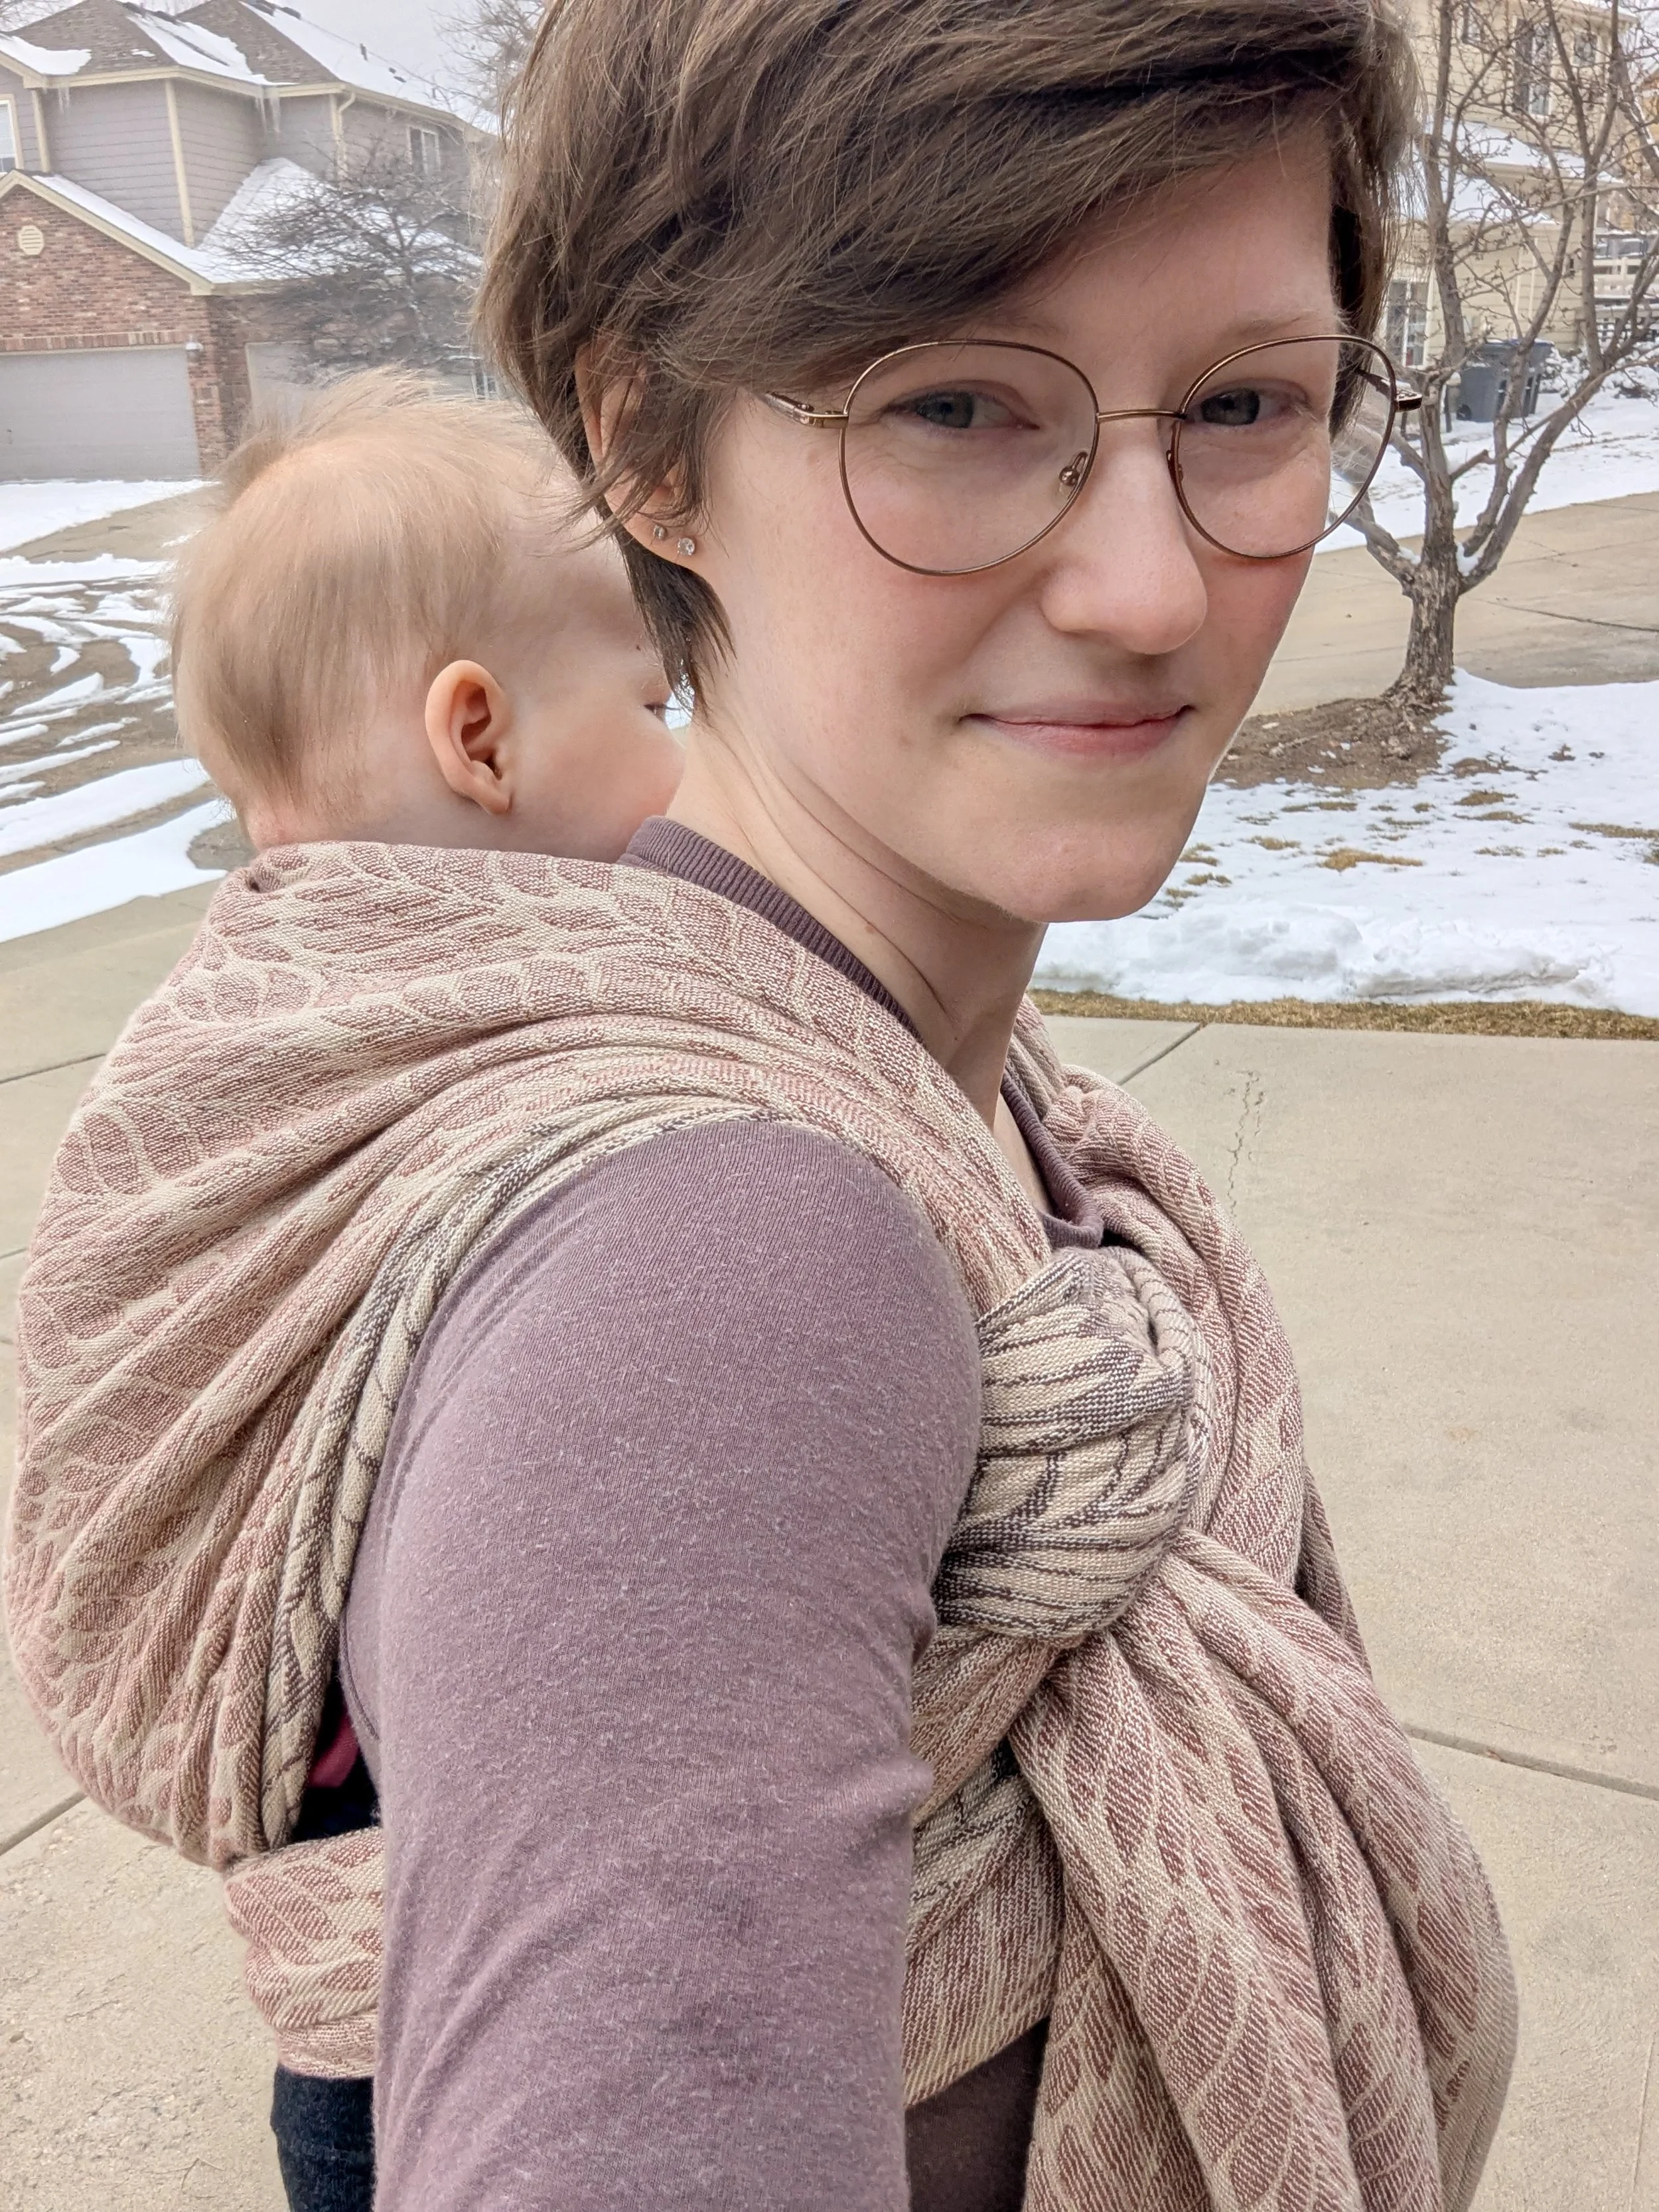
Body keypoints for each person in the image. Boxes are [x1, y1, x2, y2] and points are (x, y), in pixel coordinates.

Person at [4, 3, 1518, 2209]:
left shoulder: (978, 1116)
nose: (1152, 585)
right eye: (957, 406)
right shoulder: (725, 1250)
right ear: (646, 441)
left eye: (1244, 406)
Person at [172, 371, 682, 863]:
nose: (690, 751)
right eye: (655, 706)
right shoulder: (614, 945)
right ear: (479, 741)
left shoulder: (250, 948)